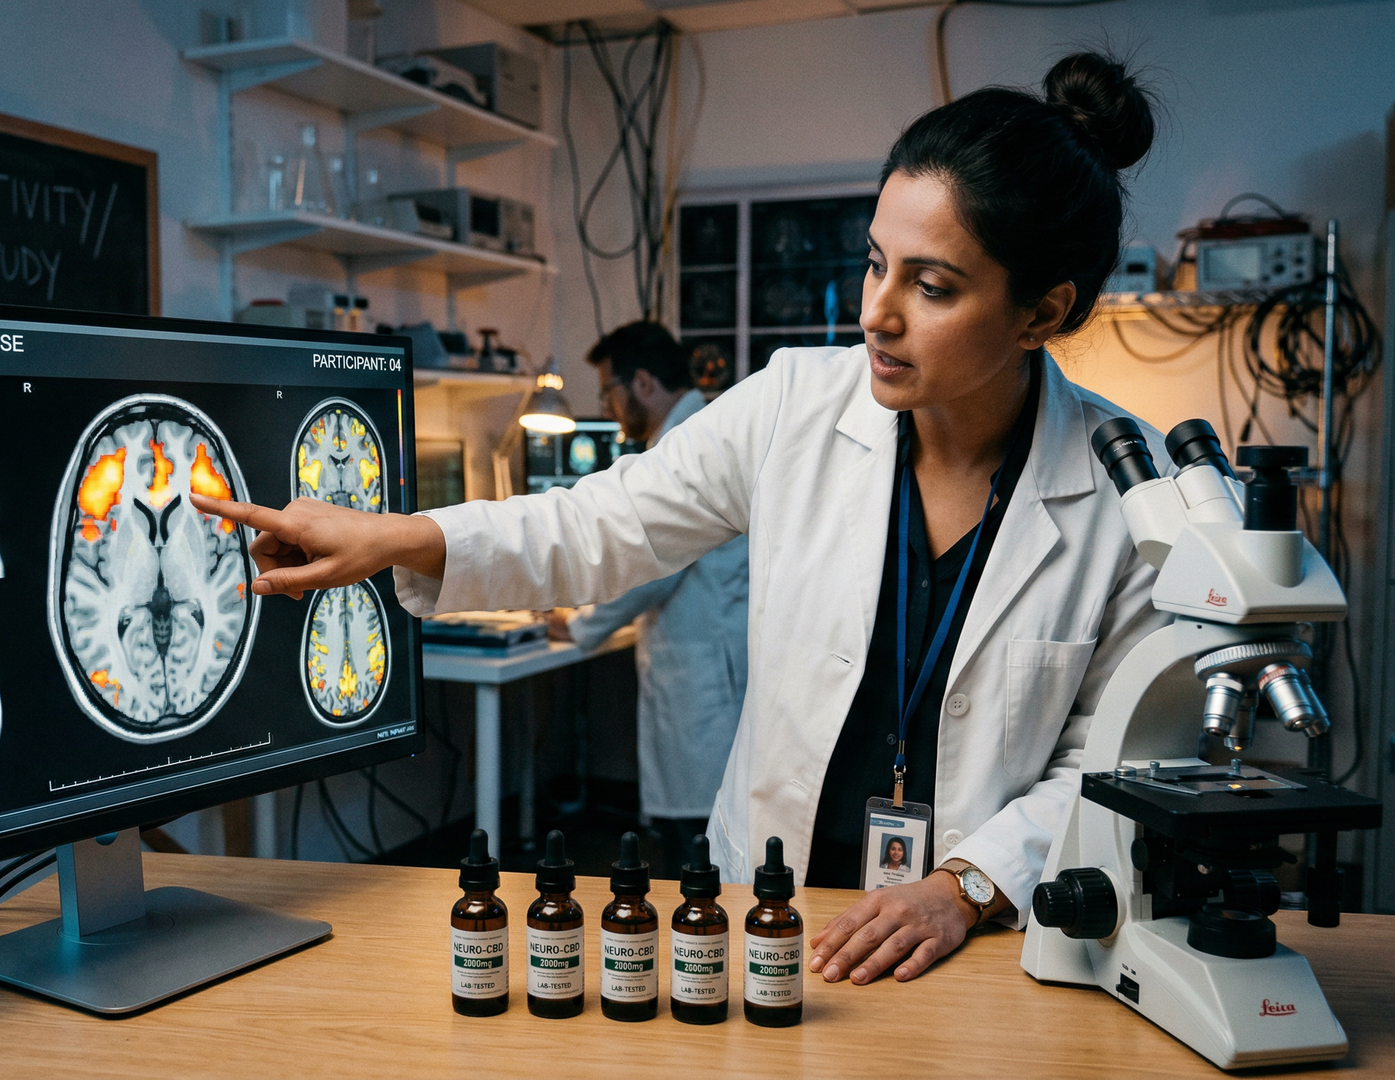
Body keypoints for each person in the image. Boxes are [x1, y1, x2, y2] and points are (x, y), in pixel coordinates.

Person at [195, 52, 1166, 988]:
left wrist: (967, 885)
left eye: (932, 285)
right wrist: (401, 537)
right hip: (766, 917)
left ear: (1043, 313)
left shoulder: (1132, 485)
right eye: (876, 265)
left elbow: (1115, 755)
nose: (878, 312)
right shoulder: (795, 404)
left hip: (974, 943)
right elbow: (599, 526)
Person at [546, 322, 749, 872]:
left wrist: (581, 622)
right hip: (710, 657)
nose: (608, 407)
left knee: (699, 852)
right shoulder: (695, 433)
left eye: (607, 391)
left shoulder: (688, 447)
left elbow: (650, 566)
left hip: (707, 677)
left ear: (641, 383)